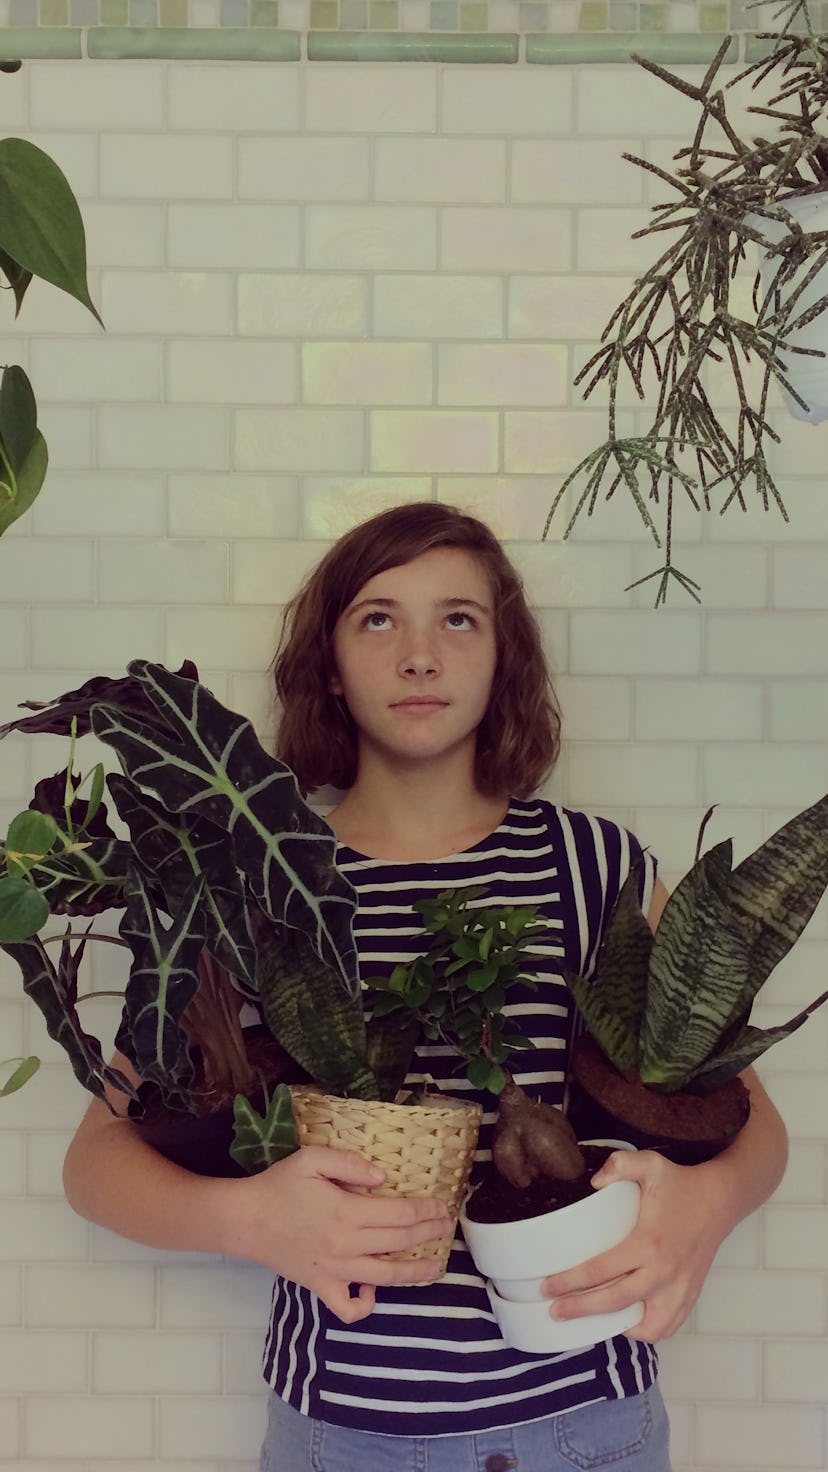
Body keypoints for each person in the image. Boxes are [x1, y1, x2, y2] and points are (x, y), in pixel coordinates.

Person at [63, 502, 788, 1472]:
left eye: (458, 618)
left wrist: (706, 1209)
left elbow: (755, 1124)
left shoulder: (590, 863)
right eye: (377, 617)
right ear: (328, 662)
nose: (419, 655)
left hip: (583, 1429)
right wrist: (249, 1219)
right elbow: (96, 1160)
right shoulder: (258, 875)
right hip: (340, 1435)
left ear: (504, 657)